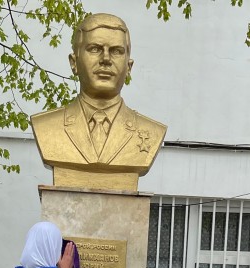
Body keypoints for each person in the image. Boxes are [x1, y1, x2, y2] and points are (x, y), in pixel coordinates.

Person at [30, 13, 167, 185]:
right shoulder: (47, 126)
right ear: (74, 62)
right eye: (94, 49)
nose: (106, 59)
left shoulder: (151, 132)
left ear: (129, 67)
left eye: (116, 51)